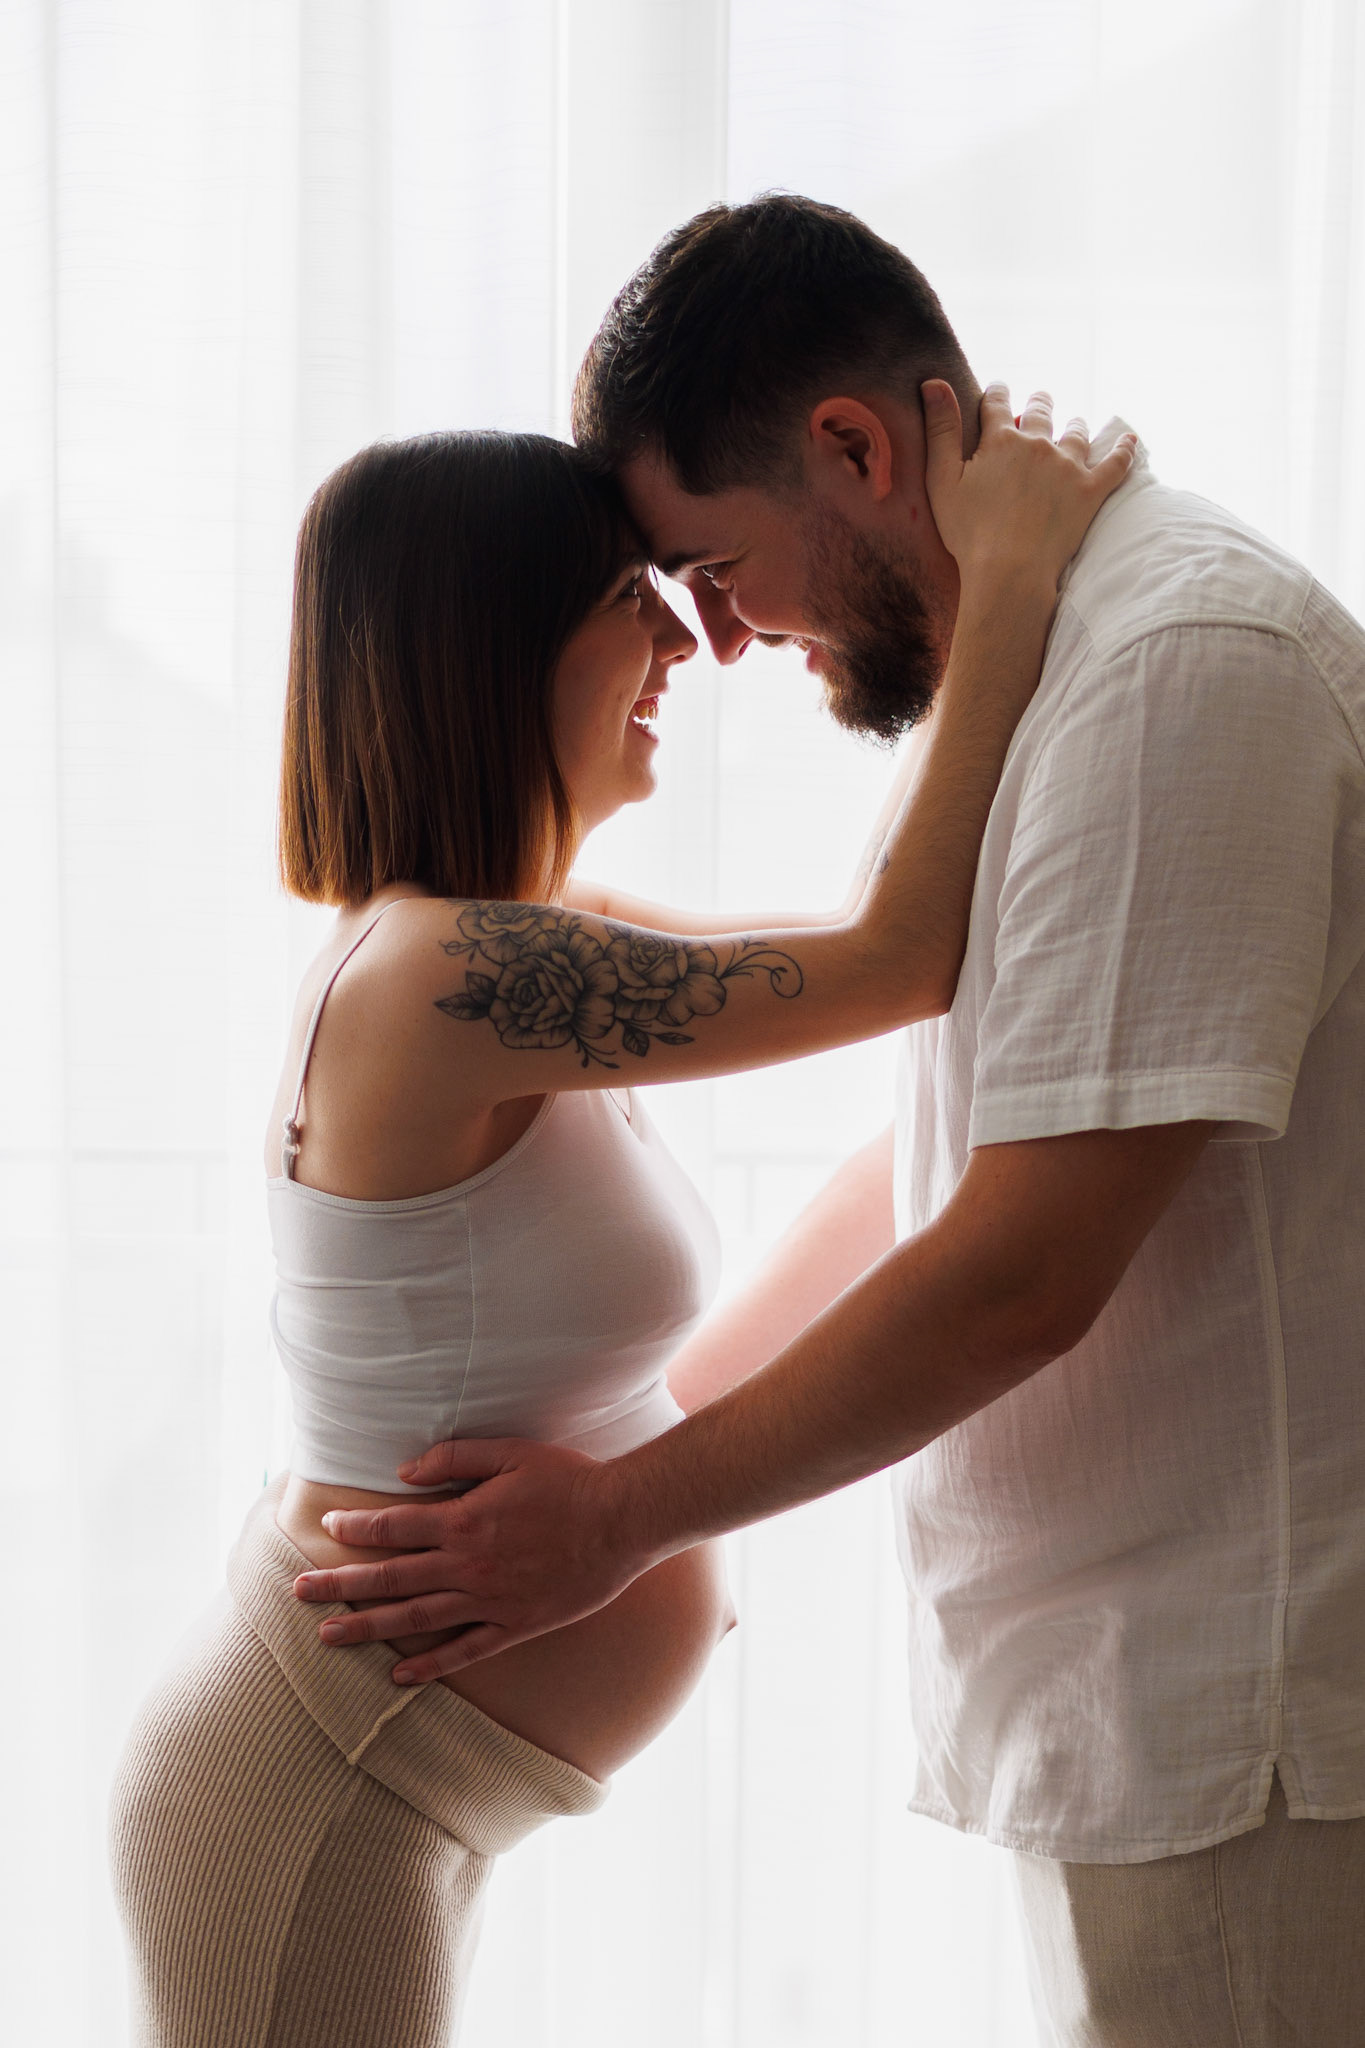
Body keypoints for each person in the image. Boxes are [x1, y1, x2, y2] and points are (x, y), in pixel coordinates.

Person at [292, 196, 1365, 2047]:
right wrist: (626, 1491)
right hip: (1132, 1687)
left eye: (708, 568)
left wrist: (622, 1518)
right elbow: (947, 1149)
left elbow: (1020, 1265)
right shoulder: (1040, 675)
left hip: (1226, 1694)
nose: (708, 641)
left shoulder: (1169, 669)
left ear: (856, 450)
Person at [107, 411, 1127, 2047]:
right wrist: (1002, 581)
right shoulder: (445, 981)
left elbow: (877, 957)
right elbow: (896, 958)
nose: (677, 642)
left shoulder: (525, 940)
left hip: (380, 1772)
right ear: (491, 646)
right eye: (622, 600)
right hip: (323, 1784)